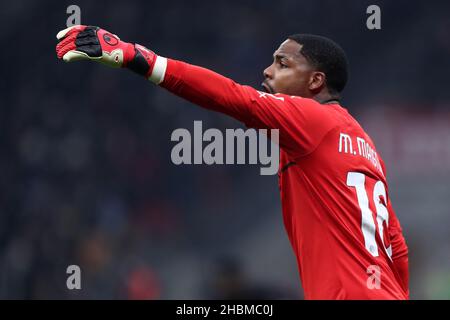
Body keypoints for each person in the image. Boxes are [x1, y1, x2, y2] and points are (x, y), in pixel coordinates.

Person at [56, 25, 409, 299]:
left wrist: (136, 57)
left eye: (283, 64)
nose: (268, 71)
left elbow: (232, 97)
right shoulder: (364, 145)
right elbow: (397, 246)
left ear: (316, 81)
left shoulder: (312, 119)